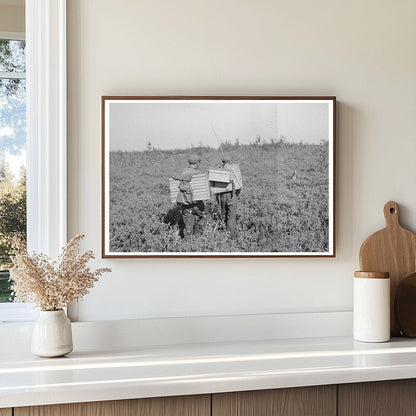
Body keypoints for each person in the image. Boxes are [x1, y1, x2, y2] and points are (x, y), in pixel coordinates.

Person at [176, 154, 205, 238]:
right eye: (198, 163)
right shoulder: (197, 173)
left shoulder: (183, 171)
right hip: (197, 204)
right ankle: (197, 238)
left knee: (188, 228)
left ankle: (188, 243)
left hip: (185, 206)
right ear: (196, 164)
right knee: (203, 217)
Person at [216, 155, 240, 238]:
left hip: (222, 196)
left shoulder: (219, 170)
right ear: (230, 161)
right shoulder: (234, 169)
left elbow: (215, 187)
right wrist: (236, 195)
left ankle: (223, 234)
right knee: (231, 218)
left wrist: (217, 198)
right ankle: (230, 237)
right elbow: (239, 186)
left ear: (222, 162)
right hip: (232, 195)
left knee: (224, 215)